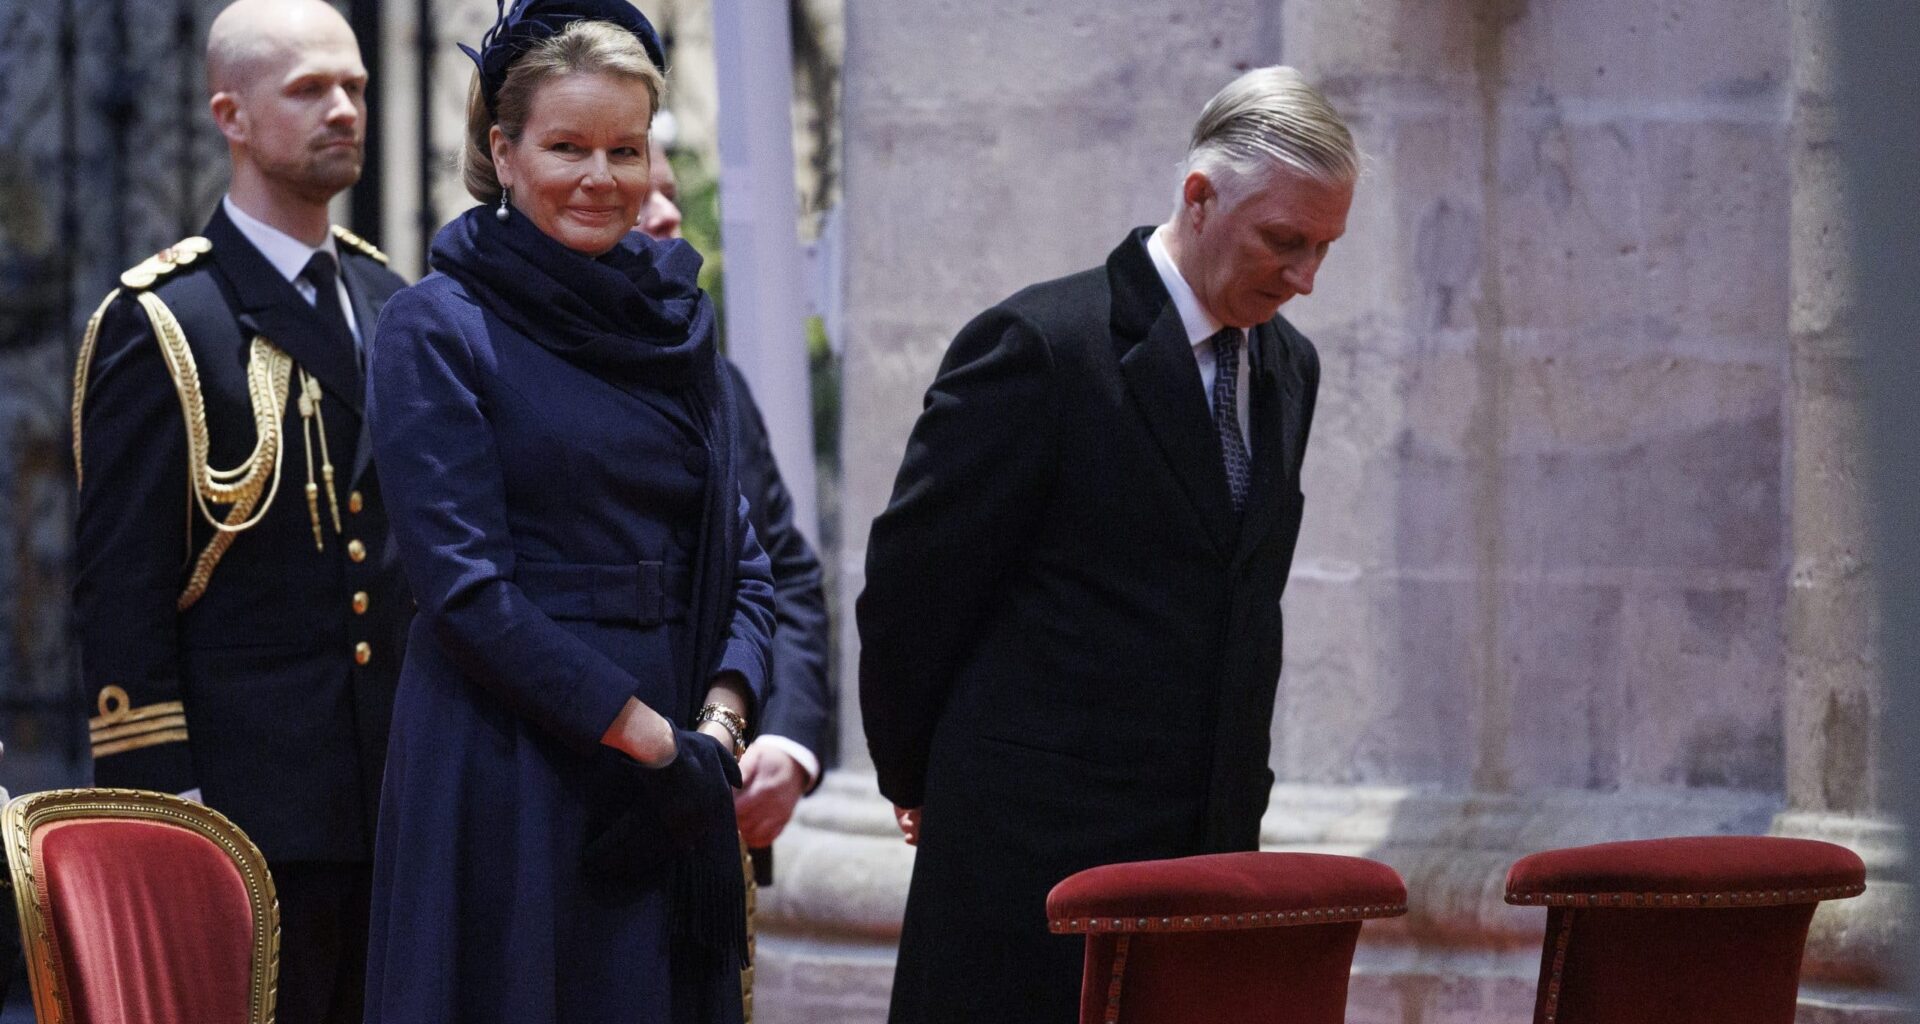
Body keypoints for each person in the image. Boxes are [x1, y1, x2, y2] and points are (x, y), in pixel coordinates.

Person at [857, 66, 1358, 1023]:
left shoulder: (1291, 365)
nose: (1305, 280)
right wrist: (915, 774)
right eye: (1285, 242)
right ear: (1200, 198)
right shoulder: (1040, 345)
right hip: (1031, 855)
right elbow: (914, 588)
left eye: (1324, 249)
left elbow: (1245, 595)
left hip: (1208, 848)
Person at [360, 3, 773, 1021]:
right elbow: (464, 591)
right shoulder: (431, 328)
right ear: (502, 151)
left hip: (675, 764)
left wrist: (716, 730)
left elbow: (742, 556)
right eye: (566, 146)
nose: (602, 177)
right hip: (511, 766)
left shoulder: (675, 319)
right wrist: (649, 742)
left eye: (626, 149)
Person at [69, 2, 409, 1021]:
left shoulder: (392, 300)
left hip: (393, 806)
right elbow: (121, 591)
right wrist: (169, 813)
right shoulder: (166, 321)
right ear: (232, 113)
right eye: (309, 88)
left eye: (353, 85)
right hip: (252, 821)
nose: (344, 107)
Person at [636, 137, 833, 867]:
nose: (663, 217)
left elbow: (786, 572)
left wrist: (787, 741)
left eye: (671, 196)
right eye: (640, 193)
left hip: (726, 806)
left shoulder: (718, 382)